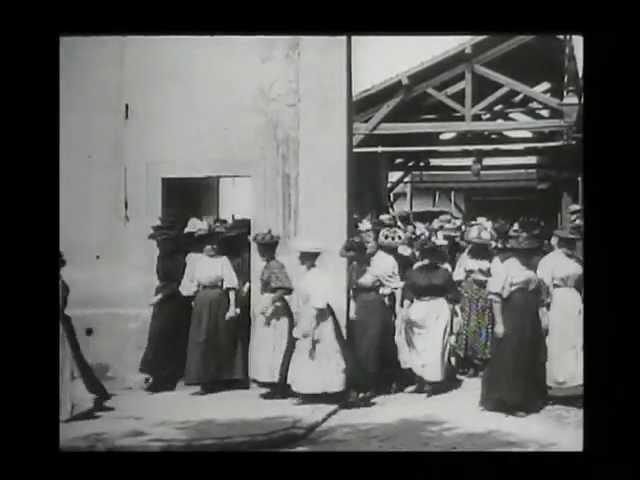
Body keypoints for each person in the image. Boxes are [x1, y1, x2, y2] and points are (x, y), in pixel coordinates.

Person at [481, 232, 549, 416]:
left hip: (529, 313)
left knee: (528, 352)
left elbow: (540, 292)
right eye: (522, 250)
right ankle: (508, 400)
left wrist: (542, 314)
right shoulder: (505, 265)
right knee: (511, 354)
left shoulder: (533, 265)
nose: (526, 253)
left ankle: (527, 397)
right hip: (511, 311)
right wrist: (499, 323)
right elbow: (495, 295)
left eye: (530, 250)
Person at [287, 240, 346, 403]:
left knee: (319, 351)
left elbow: (318, 304)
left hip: (317, 318)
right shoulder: (306, 275)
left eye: (302, 255)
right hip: (307, 314)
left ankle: (326, 391)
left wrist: (310, 326)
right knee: (306, 353)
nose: (299, 257)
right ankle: (308, 390)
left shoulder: (318, 277)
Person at [396, 245, 459, 397]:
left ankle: (431, 381)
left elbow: (452, 294)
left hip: (435, 308)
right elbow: (408, 293)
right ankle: (423, 380)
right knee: (422, 345)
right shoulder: (416, 274)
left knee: (434, 345)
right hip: (425, 308)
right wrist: (404, 312)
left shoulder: (440, 273)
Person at [183, 235, 241, 395]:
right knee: (201, 338)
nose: (212, 247)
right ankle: (203, 380)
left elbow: (231, 285)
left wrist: (232, 307)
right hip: (202, 300)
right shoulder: (196, 261)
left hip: (218, 300)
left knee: (219, 337)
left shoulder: (223, 260)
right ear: (202, 246)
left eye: (214, 244)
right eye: (208, 244)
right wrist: (193, 298)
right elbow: (188, 283)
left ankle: (221, 378)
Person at [139, 218, 192, 392]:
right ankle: (158, 376)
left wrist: (161, 296)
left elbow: (179, 282)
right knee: (157, 338)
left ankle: (166, 378)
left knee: (166, 338)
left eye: (163, 241)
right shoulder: (163, 256)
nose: (160, 245)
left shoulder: (178, 259)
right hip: (163, 300)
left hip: (174, 301)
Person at [60, 251, 111, 421]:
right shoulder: (60, 282)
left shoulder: (60, 283)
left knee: (68, 365)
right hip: (63, 325)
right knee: (69, 364)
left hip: (63, 325)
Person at [537, 225, 583, 404]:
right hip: (558, 300)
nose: (569, 245)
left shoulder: (577, 260)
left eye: (572, 241)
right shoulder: (549, 261)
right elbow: (543, 285)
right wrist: (543, 309)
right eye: (566, 241)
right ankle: (555, 384)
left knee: (575, 341)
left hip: (575, 299)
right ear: (558, 241)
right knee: (558, 341)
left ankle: (575, 384)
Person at [341, 236, 388, 405]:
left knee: (369, 345)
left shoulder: (370, 268)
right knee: (358, 345)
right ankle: (360, 384)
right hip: (359, 305)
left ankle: (368, 385)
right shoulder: (352, 267)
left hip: (370, 305)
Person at [249, 230, 295, 399]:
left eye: (265, 248)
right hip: (269, 306)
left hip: (276, 309)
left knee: (276, 346)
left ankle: (279, 384)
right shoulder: (268, 265)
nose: (261, 251)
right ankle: (272, 382)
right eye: (260, 248)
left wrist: (270, 301)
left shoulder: (276, 266)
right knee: (268, 346)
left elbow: (285, 287)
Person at [453, 224, 496, 377]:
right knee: (469, 327)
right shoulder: (466, 256)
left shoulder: (492, 257)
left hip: (485, 292)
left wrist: (486, 279)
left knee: (484, 326)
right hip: (469, 293)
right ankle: (469, 361)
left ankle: (483, 360)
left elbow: (496, 275)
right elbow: (457, 276)